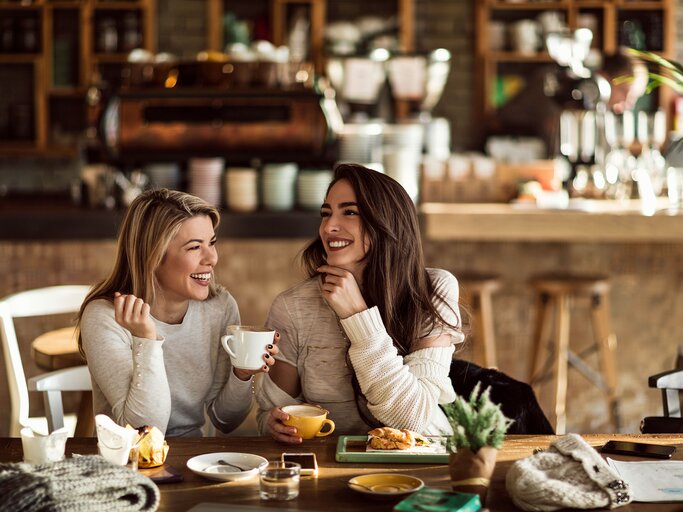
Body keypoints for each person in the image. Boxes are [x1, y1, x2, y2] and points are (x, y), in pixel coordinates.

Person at [256, 164, 465, 444]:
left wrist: (358, 316)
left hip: (421, 463)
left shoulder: (432, 290)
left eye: (350, 212)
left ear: (386, 222)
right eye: (326, 213)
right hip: (329, 464)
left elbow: (412, 420)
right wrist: (273, 423)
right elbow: (270, 414)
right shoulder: (292, 307)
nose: (329, 227)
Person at [78, 188, 278, 437]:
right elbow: (145, 431)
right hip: (128, 463)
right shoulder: (106, 317)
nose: (212, 258)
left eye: (212, 243)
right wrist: (146, 340)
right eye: (195, 247)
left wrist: (242, 374)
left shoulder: (220, 307)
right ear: (152, 255)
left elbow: (226, 420)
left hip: (195, 461)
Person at [493, 49, 648, 157]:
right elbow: (554, 143)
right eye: (624, 92)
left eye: (634, 98)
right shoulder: (560, 86)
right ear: (602, 78)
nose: (628, 104)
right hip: (507, 149)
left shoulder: (598, 107)